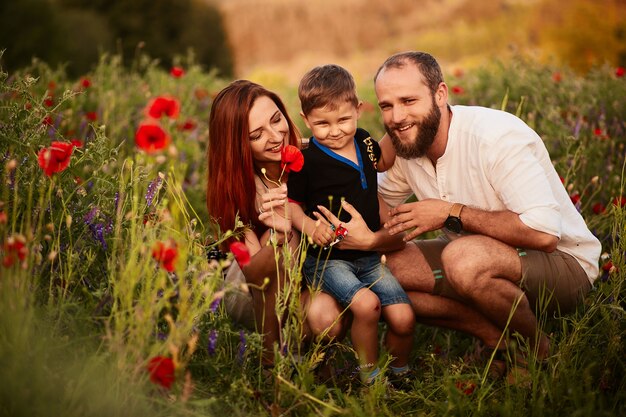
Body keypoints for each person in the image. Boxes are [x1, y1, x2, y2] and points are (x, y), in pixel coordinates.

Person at [366, 50, 601, 376]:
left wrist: (450, 213)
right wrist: (337, 160)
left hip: (564, 266)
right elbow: (376, 205)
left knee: (463, 258)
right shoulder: (409, 146)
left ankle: (538, 353)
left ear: (440, 94)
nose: (396, 116)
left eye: (408, 101)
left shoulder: (494, 137)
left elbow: (545, 235)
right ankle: (497, 340)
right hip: (478, 260)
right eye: (386, 106)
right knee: (378, 272)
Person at [205, 80, 347, 366]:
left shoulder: (315, 156)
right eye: (257, 134)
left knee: (328, 316)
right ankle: (274, 364)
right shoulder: (234, 192)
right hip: (252, 289)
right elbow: (255, 275)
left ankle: (310, 355)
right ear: (237, 145)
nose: (275, 136)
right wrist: (277, 237)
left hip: (312, 279)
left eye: (276, 119)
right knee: (285, 250)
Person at [287, 64, 413, 386]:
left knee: (403, 316)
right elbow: (292, 205)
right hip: (328, 260)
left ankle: (401, 373)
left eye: (343, 119)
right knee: (368, 306)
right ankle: (370, 377)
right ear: (305, 120)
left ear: (358, 110)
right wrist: (309, 227)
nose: (334, 131)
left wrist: (398, 125)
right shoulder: (307, 160)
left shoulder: (364, 140)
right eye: (321, 124)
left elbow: (382, 162)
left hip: (369, 258)